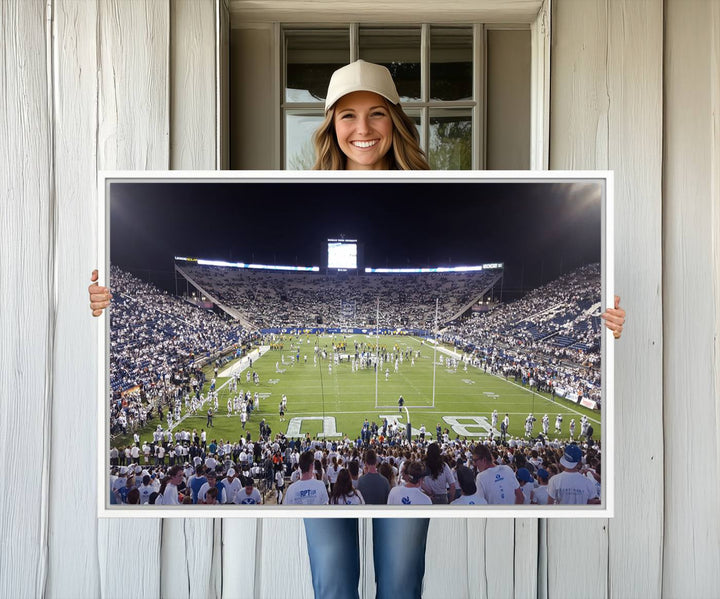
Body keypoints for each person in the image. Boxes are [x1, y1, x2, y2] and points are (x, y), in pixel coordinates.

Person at [89, 59, 626, 598]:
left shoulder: (433, 186)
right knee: (333, 583)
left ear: (396, 120)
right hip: (334, 488)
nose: (362, 129)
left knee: (399, 582)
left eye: (376, 115)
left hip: (394, 490)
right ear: (329, 126)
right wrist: (101, 308)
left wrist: (610, 328)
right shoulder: (302, 183)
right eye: (347, 116)